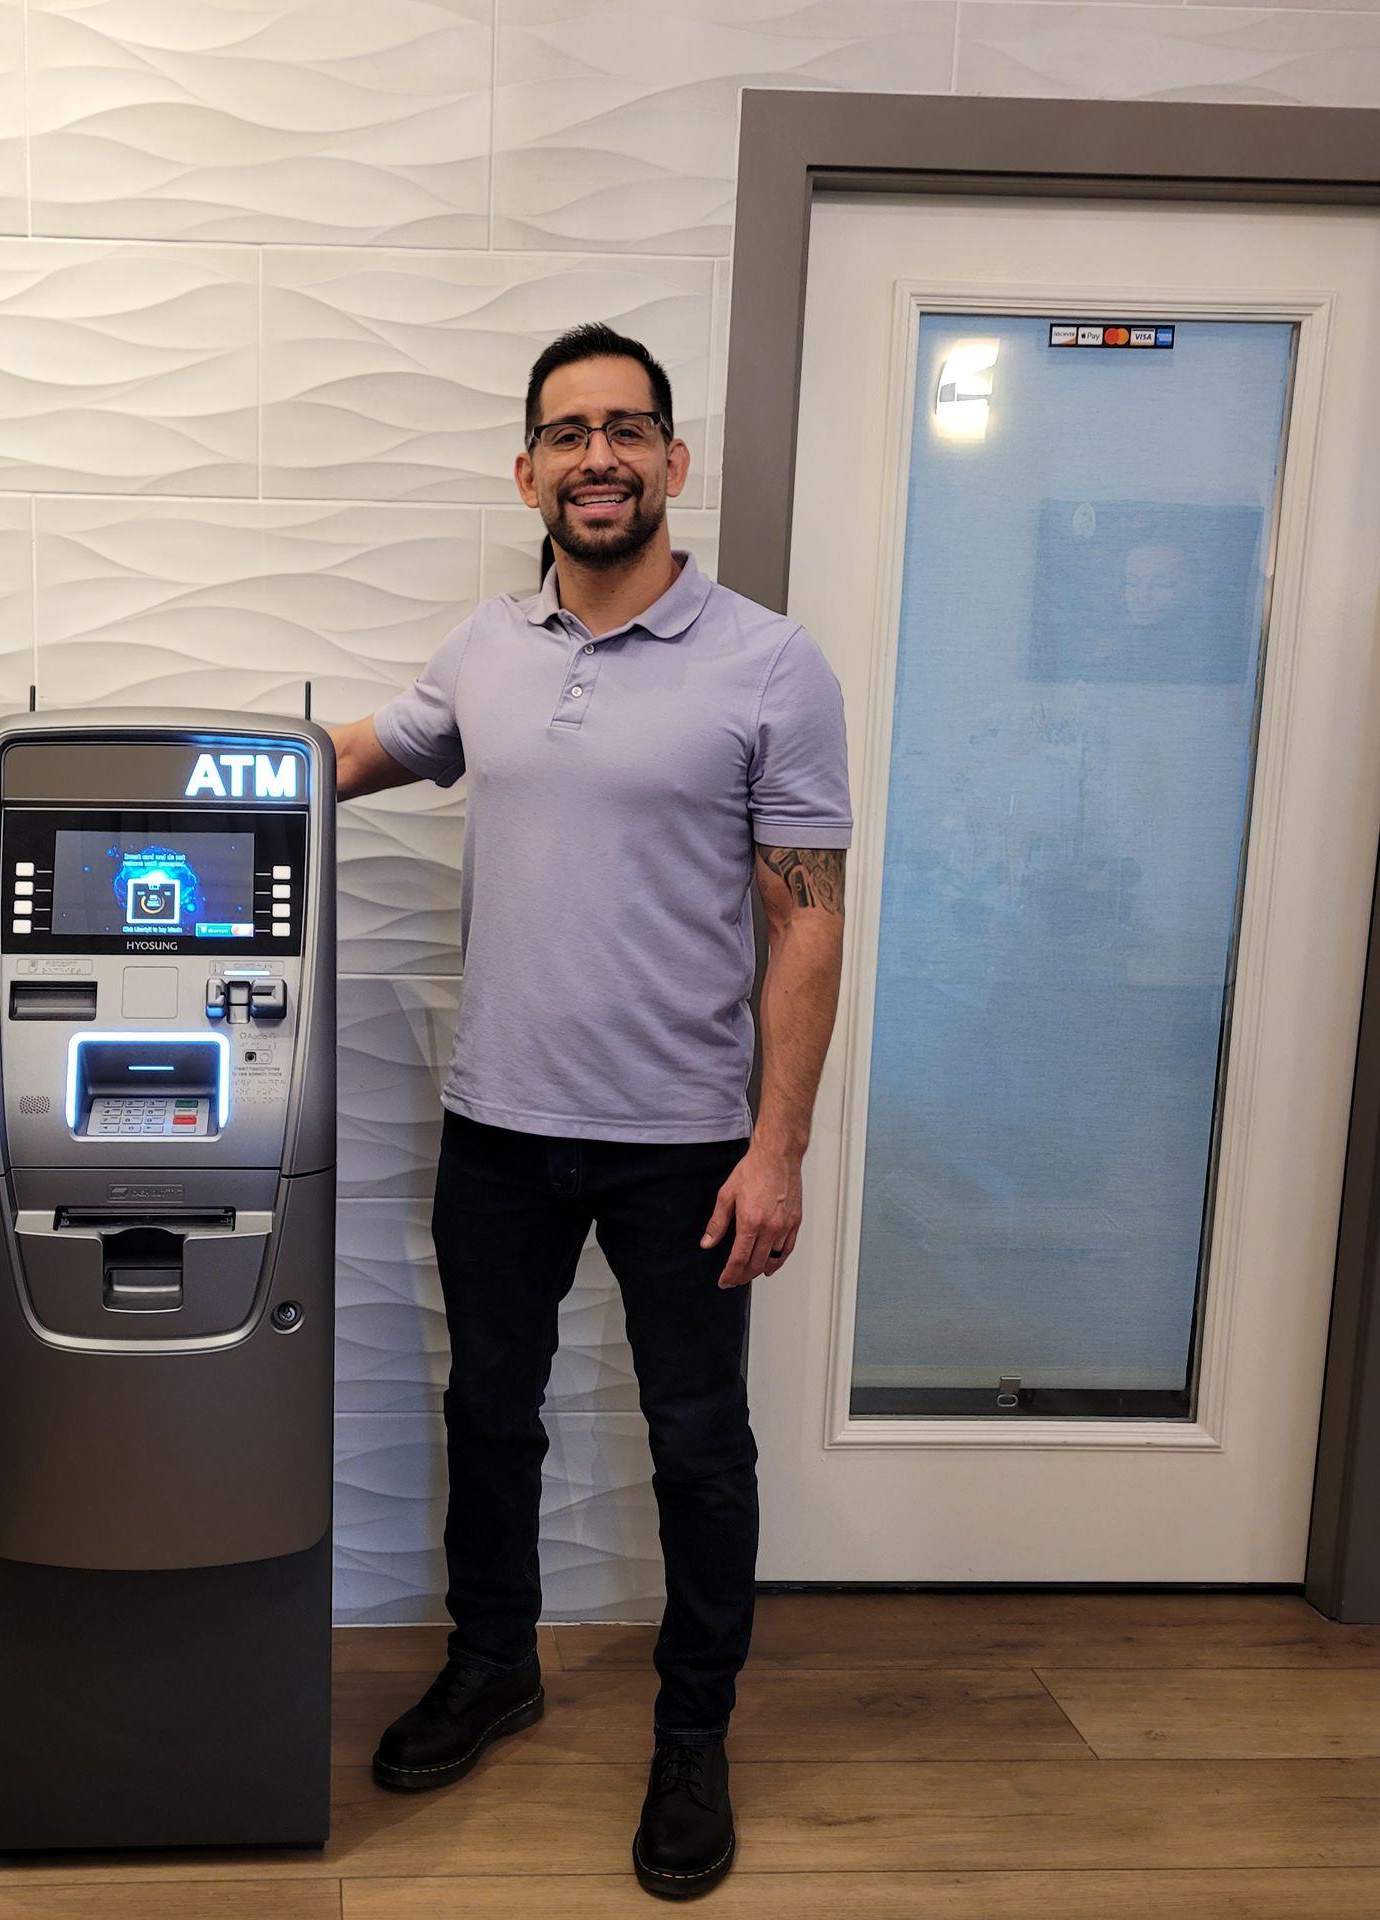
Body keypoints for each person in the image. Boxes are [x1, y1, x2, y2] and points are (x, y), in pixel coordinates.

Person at [326, 321, 853, 1901]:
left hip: (686, 1140)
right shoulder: (485, 649)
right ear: (528, 469)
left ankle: (694, 1735)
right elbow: (365, 751)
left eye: (628, 430)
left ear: (674, 462)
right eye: (568, 433)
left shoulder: (769, 662)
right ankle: (498, 1664)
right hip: (500, 1128)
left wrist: (780, 1146)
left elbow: (807, 918)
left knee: (698, 1447)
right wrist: (173, 770)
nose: (599, 457)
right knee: (488, 1417)